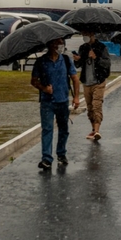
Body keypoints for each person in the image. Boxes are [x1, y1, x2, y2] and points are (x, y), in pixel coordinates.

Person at [30, 38, 80, 170]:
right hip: (47, 102)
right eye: (57, 43)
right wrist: (44, 88)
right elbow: (33, 81)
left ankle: (61, 153)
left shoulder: (66, 60)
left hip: (63, 101)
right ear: (50, 45)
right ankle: (46, 158)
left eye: (61, 43)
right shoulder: (41, 62)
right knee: (47, 129)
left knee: (64, 129)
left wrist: (76, 97)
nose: (60, 46)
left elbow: (75, 78)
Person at [72, 31, 110, 141]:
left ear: (92, 35)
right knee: (90, 107)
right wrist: (77, 60)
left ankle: (97, 131)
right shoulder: (82, 48)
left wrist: (96, 58)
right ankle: (93, 129)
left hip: (98, 81)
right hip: (86, 81)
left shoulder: (101, 47)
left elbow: (107, 63)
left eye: (88, 35)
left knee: (96, 105)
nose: (86, 37)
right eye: (84, 35)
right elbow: (79, 65)